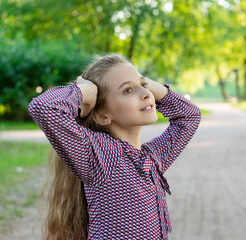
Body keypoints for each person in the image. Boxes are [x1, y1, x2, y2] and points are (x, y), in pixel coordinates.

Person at [28, 54, 201, 240]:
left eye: (143, 86)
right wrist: (85, 91)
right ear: (102, 116)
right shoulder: (101, 156)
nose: (145, 94)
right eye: (127, 90)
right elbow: (42, 107)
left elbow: (189, 115)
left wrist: (140, 81)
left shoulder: (151, 159)